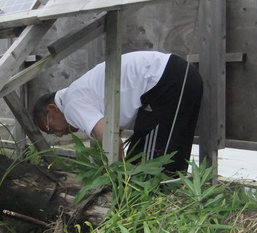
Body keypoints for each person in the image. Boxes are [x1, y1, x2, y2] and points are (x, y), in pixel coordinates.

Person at [33, 50, 203, 174]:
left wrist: (120, 179)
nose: (60, 134)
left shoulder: (71, 105)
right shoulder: (80, 92)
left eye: (51, 128)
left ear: (52, 109)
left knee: (150, 165)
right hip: (173, 76)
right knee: (162, 156)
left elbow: (113, 142)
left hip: (167, 81)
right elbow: (114, 131)